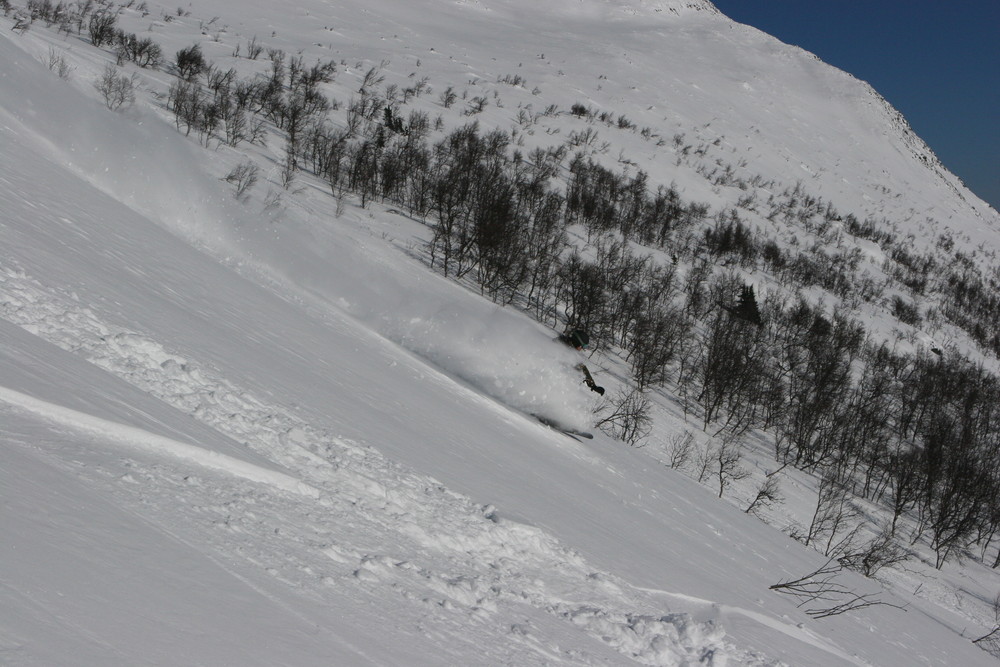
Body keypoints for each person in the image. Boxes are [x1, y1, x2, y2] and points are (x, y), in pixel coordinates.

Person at [559, 329, 605, 395]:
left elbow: (583, 369)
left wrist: (593, 386)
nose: (582, 348)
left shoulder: (571, 352)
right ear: (577, 342)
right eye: (583, 346)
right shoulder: (560, 345)